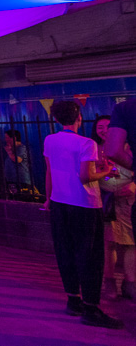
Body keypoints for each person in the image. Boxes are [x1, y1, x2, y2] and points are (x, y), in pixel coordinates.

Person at [44, 101, 123, 328]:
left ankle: (73, 301)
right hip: (85, 205)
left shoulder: (50, 140)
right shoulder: (87, 143)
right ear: (79, 117)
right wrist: (107, 171)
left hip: (59, 202)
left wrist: (48, 198)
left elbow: (49, 171)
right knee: (90, 256)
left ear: (56, 119)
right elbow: (86, 177)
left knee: (65, 252)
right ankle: (91, 308)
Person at [92, 115, 136, 299]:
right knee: (108, 243)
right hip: (106, 201)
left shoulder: (129, 147)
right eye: (100, 127)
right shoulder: (94, 149)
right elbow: (91, 174)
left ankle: (130, 282)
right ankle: (109, 282)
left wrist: (134, 186)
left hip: (128, 201)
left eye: (108, 126)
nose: (104, 131)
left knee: (131, 243)